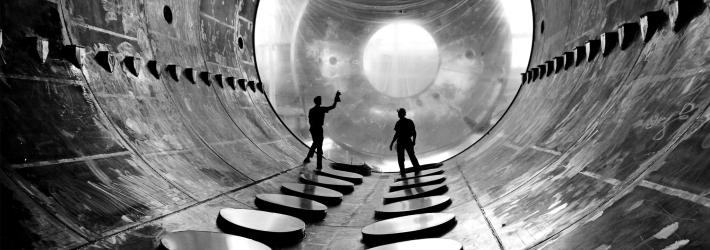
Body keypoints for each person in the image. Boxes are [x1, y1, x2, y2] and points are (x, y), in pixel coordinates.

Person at [303, 91, 341, 169]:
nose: (321, 101)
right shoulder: (321, 109)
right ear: (318, 102)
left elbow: (310, 120)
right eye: (320, 100)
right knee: (318, 146)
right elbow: (332, 106)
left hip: (313, 129)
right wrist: (336, 99)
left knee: (316, 143)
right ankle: (318, 165)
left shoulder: (312, 110)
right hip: (318, 129)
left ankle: (309, 158)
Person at [389, 108, 421, 177]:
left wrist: (392, 143)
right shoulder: (408, 122)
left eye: (399, 113)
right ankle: (416, 171)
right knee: (409, 156)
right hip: (406, 141)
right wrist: (413, 141)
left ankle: (404, 173)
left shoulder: (399, 123)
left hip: (402, 142)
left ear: (402, 114)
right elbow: (414, 132)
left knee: (403, 158)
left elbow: (397, 134)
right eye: (398, 113)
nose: (399, 115)